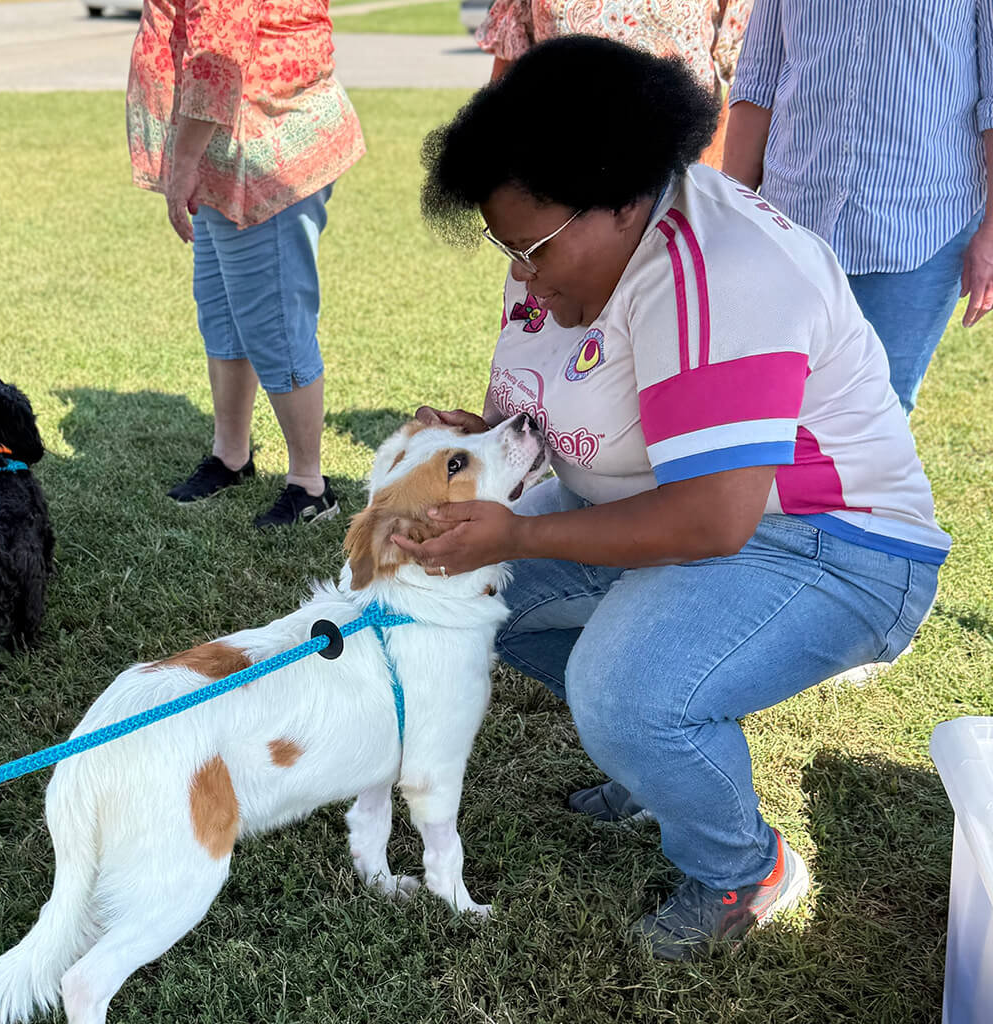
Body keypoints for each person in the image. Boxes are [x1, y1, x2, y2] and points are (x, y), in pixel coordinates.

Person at [397, 37, 948, 961]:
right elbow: (541, 399)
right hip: (699, 522)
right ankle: (662, 762)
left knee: (623, 689)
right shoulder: (568, 242)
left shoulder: (723, 275)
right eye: (507, 247)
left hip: (829, 544)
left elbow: (711, 520)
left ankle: (744, 868)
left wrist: (517, 537)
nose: (523, 274)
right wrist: (485, 442)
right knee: (479, 603)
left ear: (621, 200)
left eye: (531, 249)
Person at [126, 0, 365, 527]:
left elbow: (218, 56)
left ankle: (310, 486)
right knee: (223, 310)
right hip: (225, 149)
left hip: (264, 151)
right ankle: (230, 455)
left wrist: (182, 162)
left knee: (273, 320)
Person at [723, 0, 993, 416]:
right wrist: (730, 213)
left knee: (874, 421)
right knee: (770, 415)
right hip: (789, 223)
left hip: (916, 227)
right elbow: (758, 81)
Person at [475, 0, 755, 167]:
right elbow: (511, 56)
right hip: (558, 168)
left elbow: (750, 62)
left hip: (676, 168)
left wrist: (716, 162)